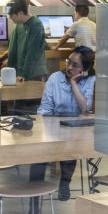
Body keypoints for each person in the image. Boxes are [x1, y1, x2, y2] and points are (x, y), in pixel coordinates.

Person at [32, 48, 97, 203]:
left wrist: (74, 83)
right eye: (69, 62)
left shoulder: (91, 81)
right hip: (52, 126)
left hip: (76, 131)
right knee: (38, 152)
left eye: (75, 65)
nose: (69, 67)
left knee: (71, 143)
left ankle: (64, 182)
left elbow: (85, 109)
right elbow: (45, 108)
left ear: (85, 69)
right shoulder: (55, 78)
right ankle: (34, 195)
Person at [5, 0, 47, 82]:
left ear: (20, 13)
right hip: (20, 74)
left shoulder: (36, 25)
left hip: (34, 74)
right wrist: (10, 71)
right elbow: (12, 50)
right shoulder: (18, 25)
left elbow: (32, 53)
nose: (10, 18)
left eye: (11, 15)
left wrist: (25, 74)